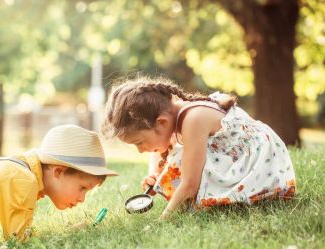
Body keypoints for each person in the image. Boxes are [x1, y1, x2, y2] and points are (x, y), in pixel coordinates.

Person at [102, 76, 296, 220]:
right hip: (245, 159)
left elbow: (189, 184)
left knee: (181, 161)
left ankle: (229, 199)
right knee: (177, 158)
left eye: (139, 143)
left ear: (161, 122)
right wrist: (154, 173)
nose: (141, 150)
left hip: (262, 166)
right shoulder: (173, 116)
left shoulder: (193, 120)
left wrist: (164, 219)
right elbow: (160, 150)